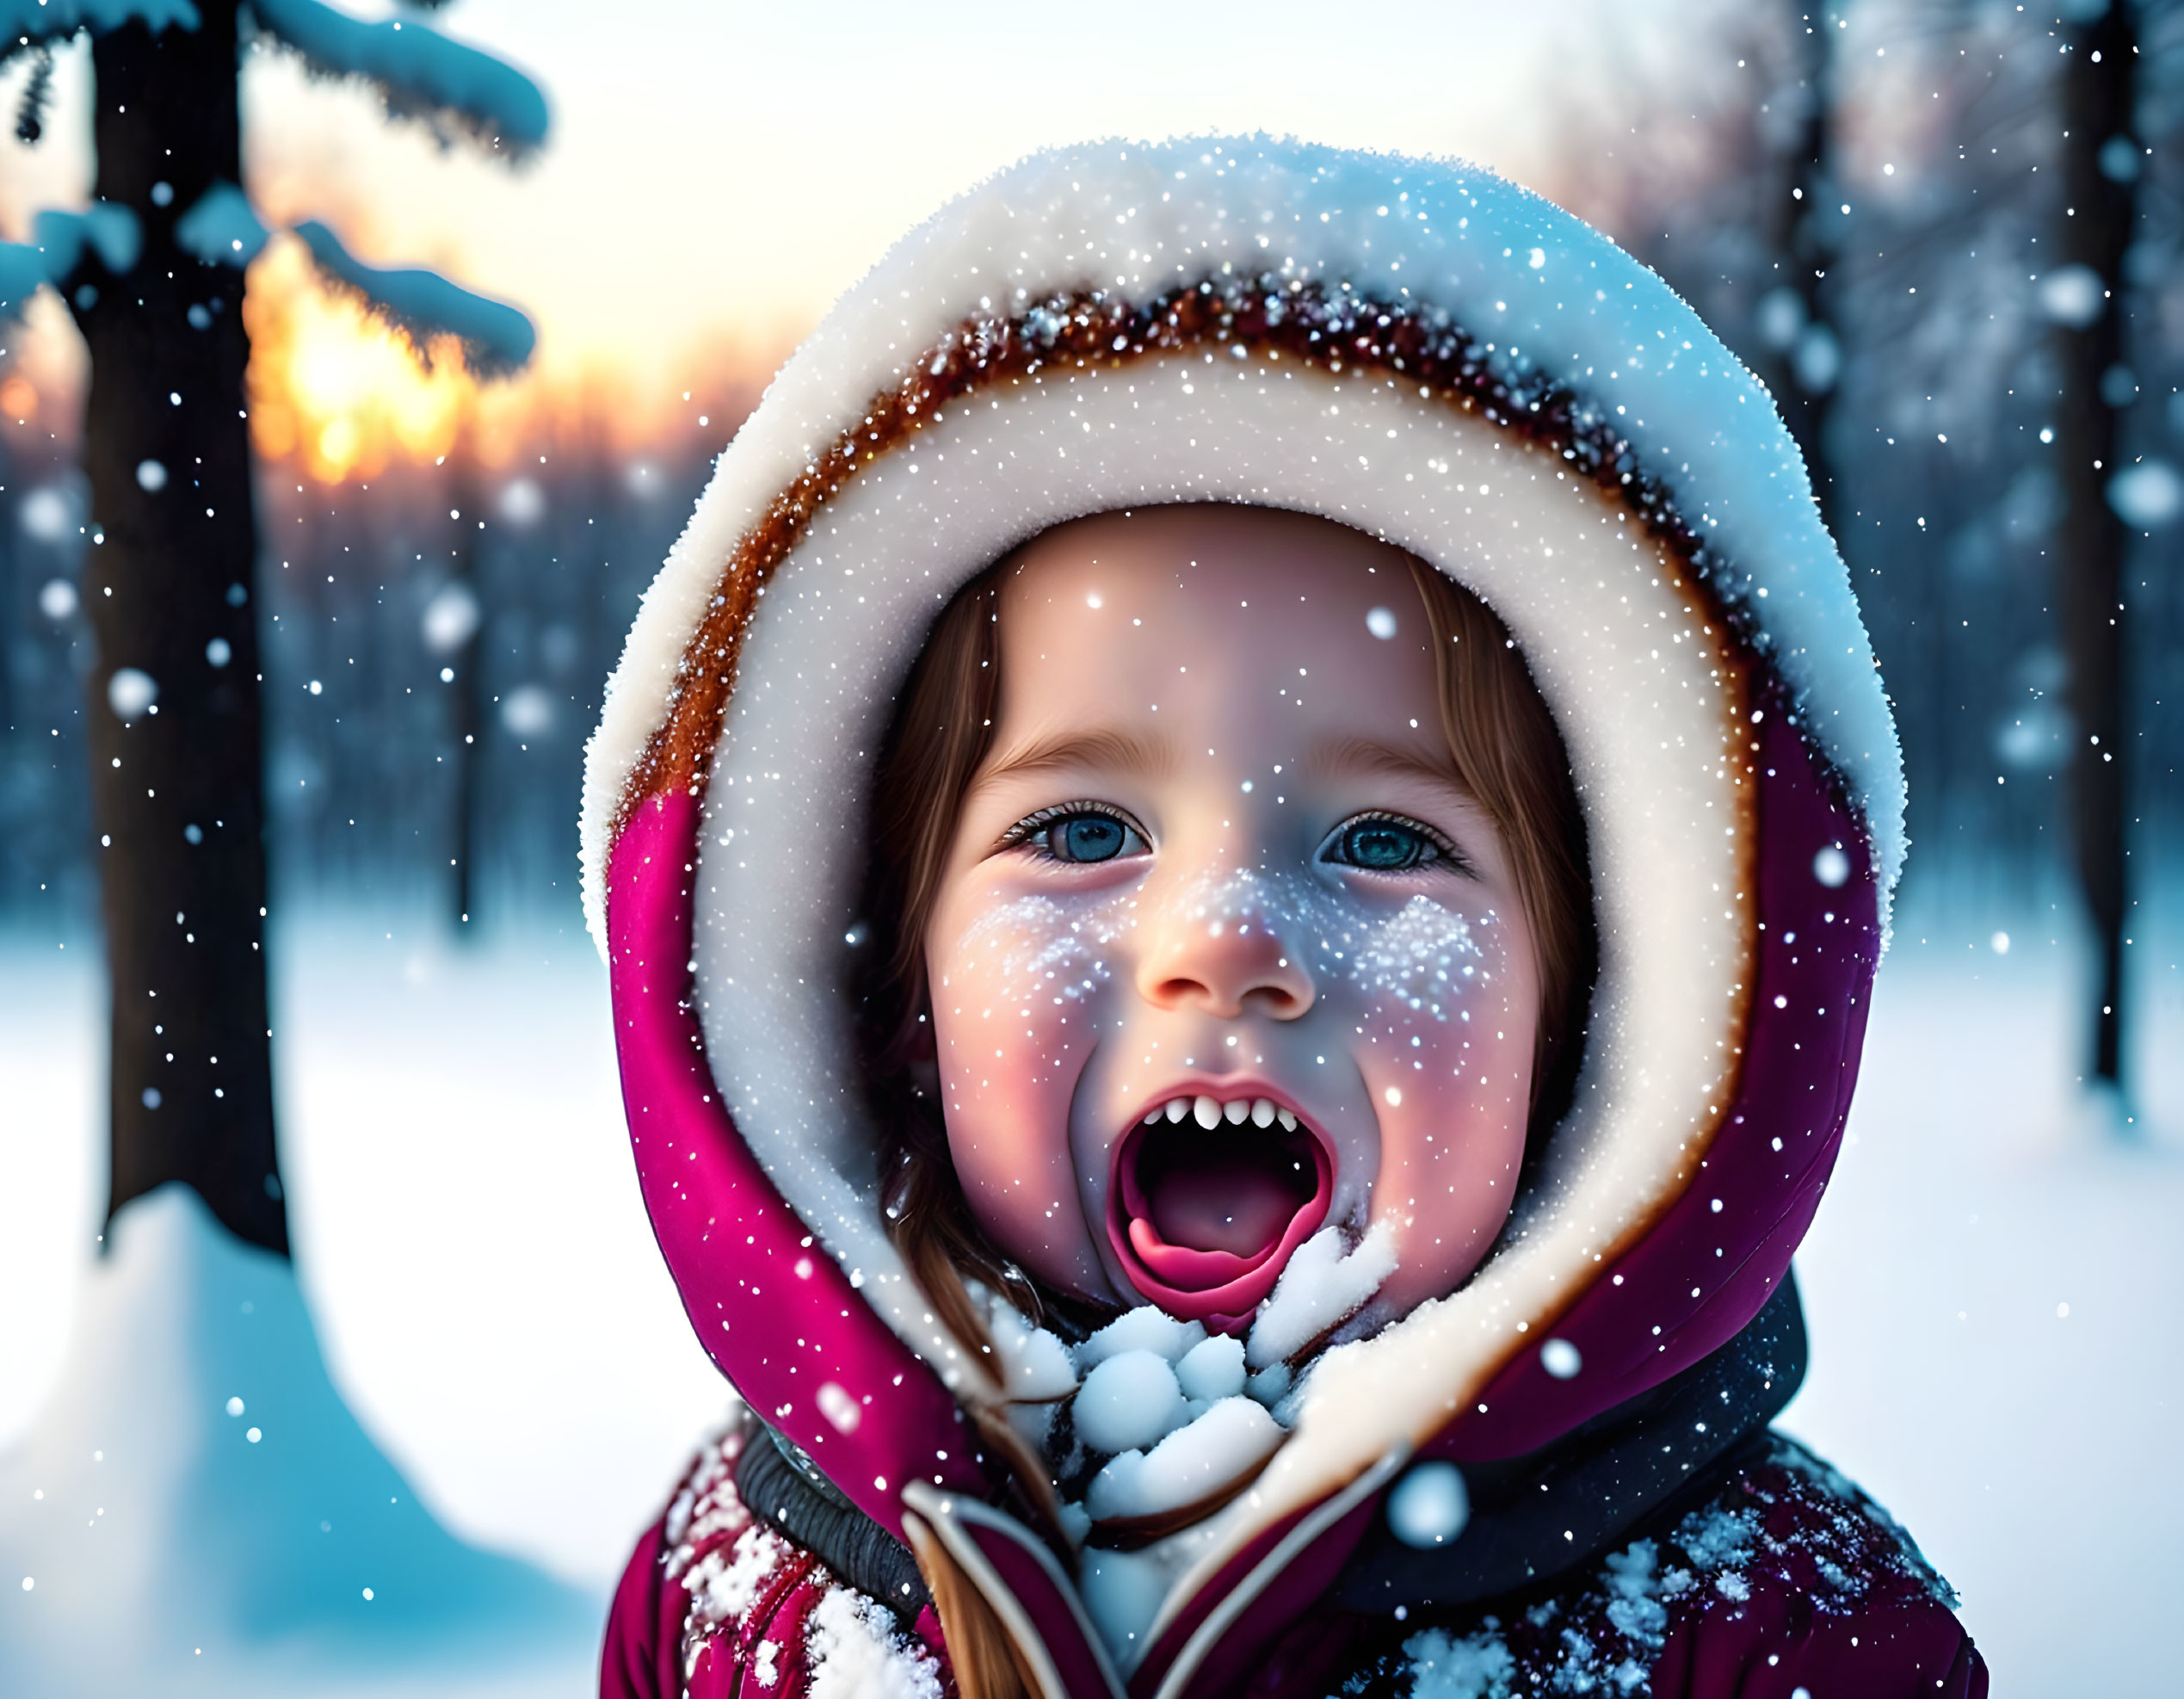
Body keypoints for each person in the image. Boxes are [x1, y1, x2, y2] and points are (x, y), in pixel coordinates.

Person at [583, 137, 1986, 1699]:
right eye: (1081, 830)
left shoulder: (1769, 1630)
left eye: (1387, 839)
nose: (1228, 936)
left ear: (1577, 1027)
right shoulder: (733, 1593)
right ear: (902, 1007)